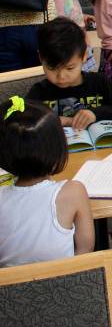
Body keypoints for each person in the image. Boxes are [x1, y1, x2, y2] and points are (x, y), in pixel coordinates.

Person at [26, 17, 112, 253]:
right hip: (60, 176)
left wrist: (96, 113)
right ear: (40, 58)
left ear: (85, 55)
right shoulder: (38, 93)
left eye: (69, 68)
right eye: (51, 69)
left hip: (105, 169)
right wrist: (49, 122)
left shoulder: (99, 84)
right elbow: (25, 127)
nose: (61, 77)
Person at [0, 96, 94, 266]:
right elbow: (85, 250)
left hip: (10, 292)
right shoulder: (73, 191)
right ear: (58, 147)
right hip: (68, 289)